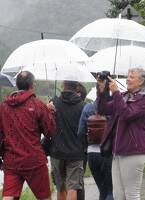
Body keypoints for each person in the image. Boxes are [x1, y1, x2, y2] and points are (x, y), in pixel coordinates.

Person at [97, 68, 145, 200]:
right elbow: (103, 109)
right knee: (118, 195)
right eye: (128, 76)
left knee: (132, 194)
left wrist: (116, 92)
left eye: (132, 77)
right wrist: (102, 91)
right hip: (118, 150)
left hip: (134, 151)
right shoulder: (124, 96)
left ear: (141, 82)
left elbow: (127, 114)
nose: (128, 79)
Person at [0, 71, 56, 200]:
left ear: (17, 85)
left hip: (11, 161)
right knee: (45, 198)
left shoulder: (3, 107)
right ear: (32, 84)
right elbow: (50, 132)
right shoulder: (38, 105)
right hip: (34, 161)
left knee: (8, 197)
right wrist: (50, 113)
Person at [49, 81, 85, 200]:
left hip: (56, 152)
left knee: (60, 188)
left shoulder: (54, 103)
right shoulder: (82, 106)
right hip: (76, 153)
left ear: (63, 85)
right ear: (76, 88)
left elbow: (46, 125)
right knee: (72, 188)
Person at [78, 85, 114, 200]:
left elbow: (80, 132)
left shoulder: (88, 108)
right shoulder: (114, 107)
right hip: (109, 153)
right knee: (111, 190)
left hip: (92, 153)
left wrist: (87, 146)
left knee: (102, 190)